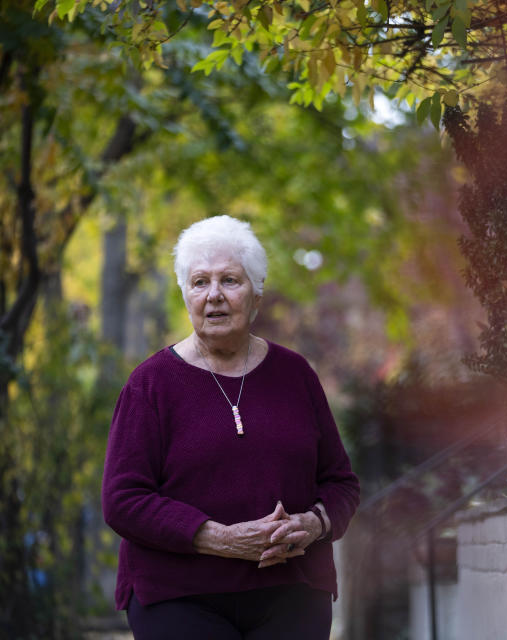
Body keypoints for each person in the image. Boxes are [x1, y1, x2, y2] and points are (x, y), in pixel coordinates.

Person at [102, 215, 360, 639]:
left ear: (256, 294)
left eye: (230, 280)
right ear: (185, 295)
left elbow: (341, 484)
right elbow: (123, 499)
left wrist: (314, 524)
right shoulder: (149, 384)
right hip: (178, 594)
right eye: (200, 282)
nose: (214, 296)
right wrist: (218, 538)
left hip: (292, 588)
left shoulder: (295, 375)